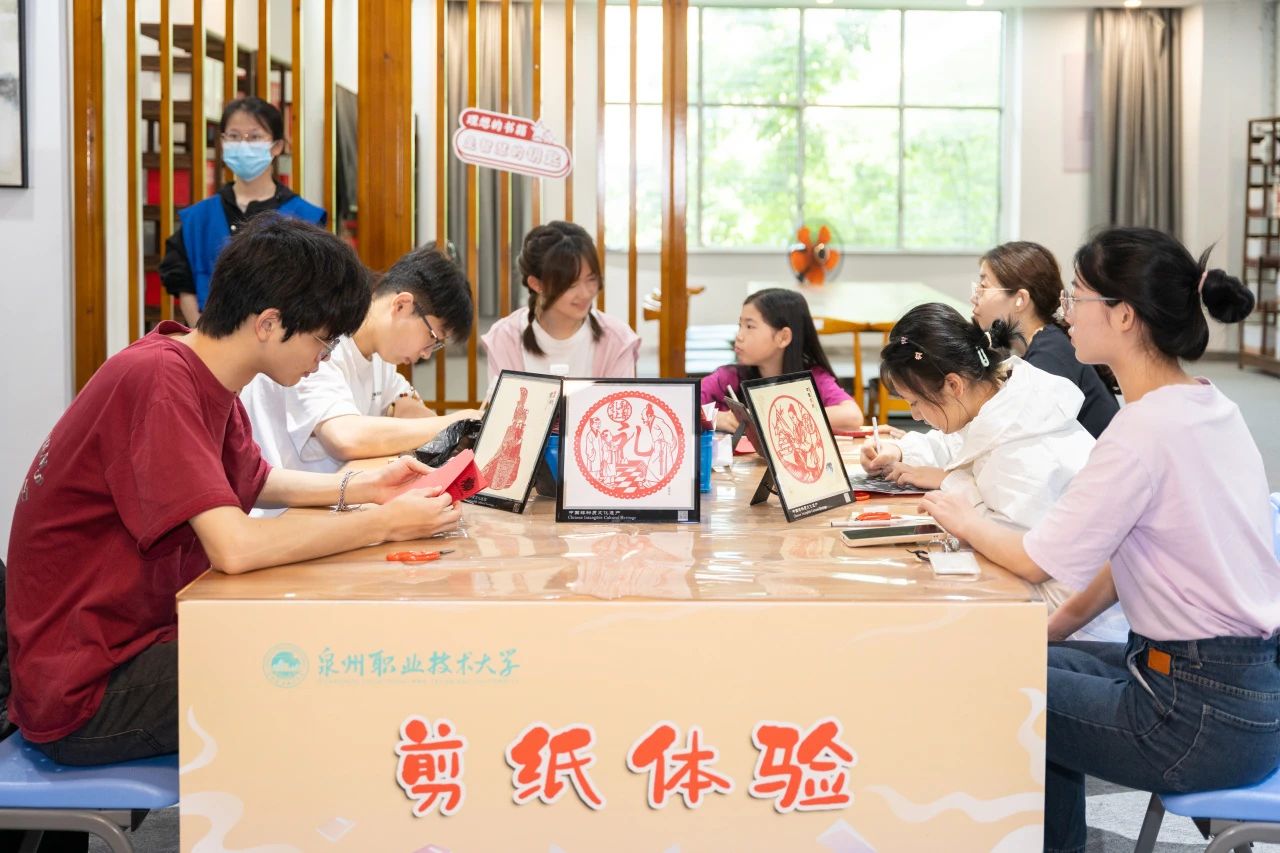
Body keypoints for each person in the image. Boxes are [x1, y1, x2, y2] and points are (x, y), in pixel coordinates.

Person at [4, 216, 462, 768]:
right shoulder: (160, 382)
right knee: (315, 661)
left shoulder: (201, 370)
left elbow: (257, 481)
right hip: (88, 686)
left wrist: (366, 486)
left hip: (133, 640)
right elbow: (236, 548)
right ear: (269, 323)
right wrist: (384, 524)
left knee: (315, 636)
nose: (324, 358)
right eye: (323, 340)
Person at [919, 227, 1280, 853]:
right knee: (1023, 658)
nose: (1066, 311)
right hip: (1241, 693)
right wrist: (1050, 630)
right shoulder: (1206, 403)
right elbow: (1123, 563)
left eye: (1078, 296)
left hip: (1193, 714)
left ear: (1123, 315)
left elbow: (1036, 559)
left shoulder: (1143, 431)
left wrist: (960, 516)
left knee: (990, 679)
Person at [861, 303, 1127, 642]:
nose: (915, 416)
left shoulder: (1023, 448)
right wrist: (901, 451)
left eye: (915, 403)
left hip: (1071, 624)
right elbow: (962, 445)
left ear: (953, 385)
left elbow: (1016, 555)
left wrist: (952, 484)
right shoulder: (998, 398)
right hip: (1053, 598)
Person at [240, 245, 481, 506]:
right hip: (283, 511)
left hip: (334, 501)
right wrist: (455, 421)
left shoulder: (379, 356)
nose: (426, 353)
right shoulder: (321, 345)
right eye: (433, 338)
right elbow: (344, 438)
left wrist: (455, 430)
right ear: (402, 305)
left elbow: (405, 405)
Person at [159, 96, 327, 326]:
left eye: (255, 137)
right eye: (234, 136)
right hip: (210, 336)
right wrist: (203, 335)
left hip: (282, 338)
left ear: (277, 146)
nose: (243, 145)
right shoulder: (198, 218)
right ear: (223, 142)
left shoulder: (305, 217)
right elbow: (182, 282)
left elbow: (315, 291)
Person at [970, 241, 1119, 437]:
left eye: (983, 287)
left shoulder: (1050, 354)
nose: (974, 297)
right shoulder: (1046, 344)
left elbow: (1021, 436)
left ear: (1021, 299)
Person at [482, 221, 640, 386]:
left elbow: (621, 401)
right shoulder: (505, 338)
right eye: (571, 284)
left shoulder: (617, 340)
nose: (585, 293)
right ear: (536, 284)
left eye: (591, 279)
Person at [701, 288, 864, 433]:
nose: (739, 336)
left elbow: (852, 416)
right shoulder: (727, 377)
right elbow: (686, 403)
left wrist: (773, 416)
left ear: (783, 337)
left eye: (750, 326)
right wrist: (718, 418)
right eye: (740, 325)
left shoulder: (813, 378)